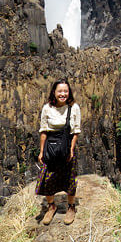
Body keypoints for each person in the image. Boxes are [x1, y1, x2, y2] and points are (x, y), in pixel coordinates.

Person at [36, 78, 81, 225]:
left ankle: (71, 207)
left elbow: (75, 131)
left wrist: (71, 149)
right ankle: (51, 206)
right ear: (54, 92)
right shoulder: (47, 108)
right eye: (60, 91)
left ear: (69, 93)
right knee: (47, 179)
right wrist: (42, 152)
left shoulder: (74, 108)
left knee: (69, 179)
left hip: (66, 146)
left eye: (65, 91)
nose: (63, 94)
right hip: (50, 147)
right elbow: (43, 131)